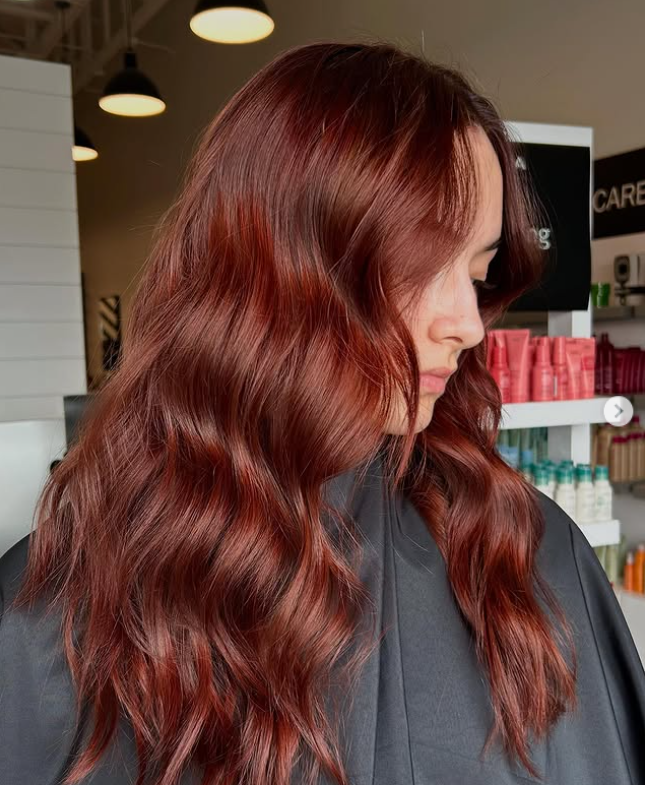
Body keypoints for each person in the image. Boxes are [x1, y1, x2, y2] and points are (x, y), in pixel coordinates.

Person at [0, 40, 643, 785]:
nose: (467, 323)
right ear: (275, 272)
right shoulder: (59, 615)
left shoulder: (521, 553)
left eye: (477, 272)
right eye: (416, 267)